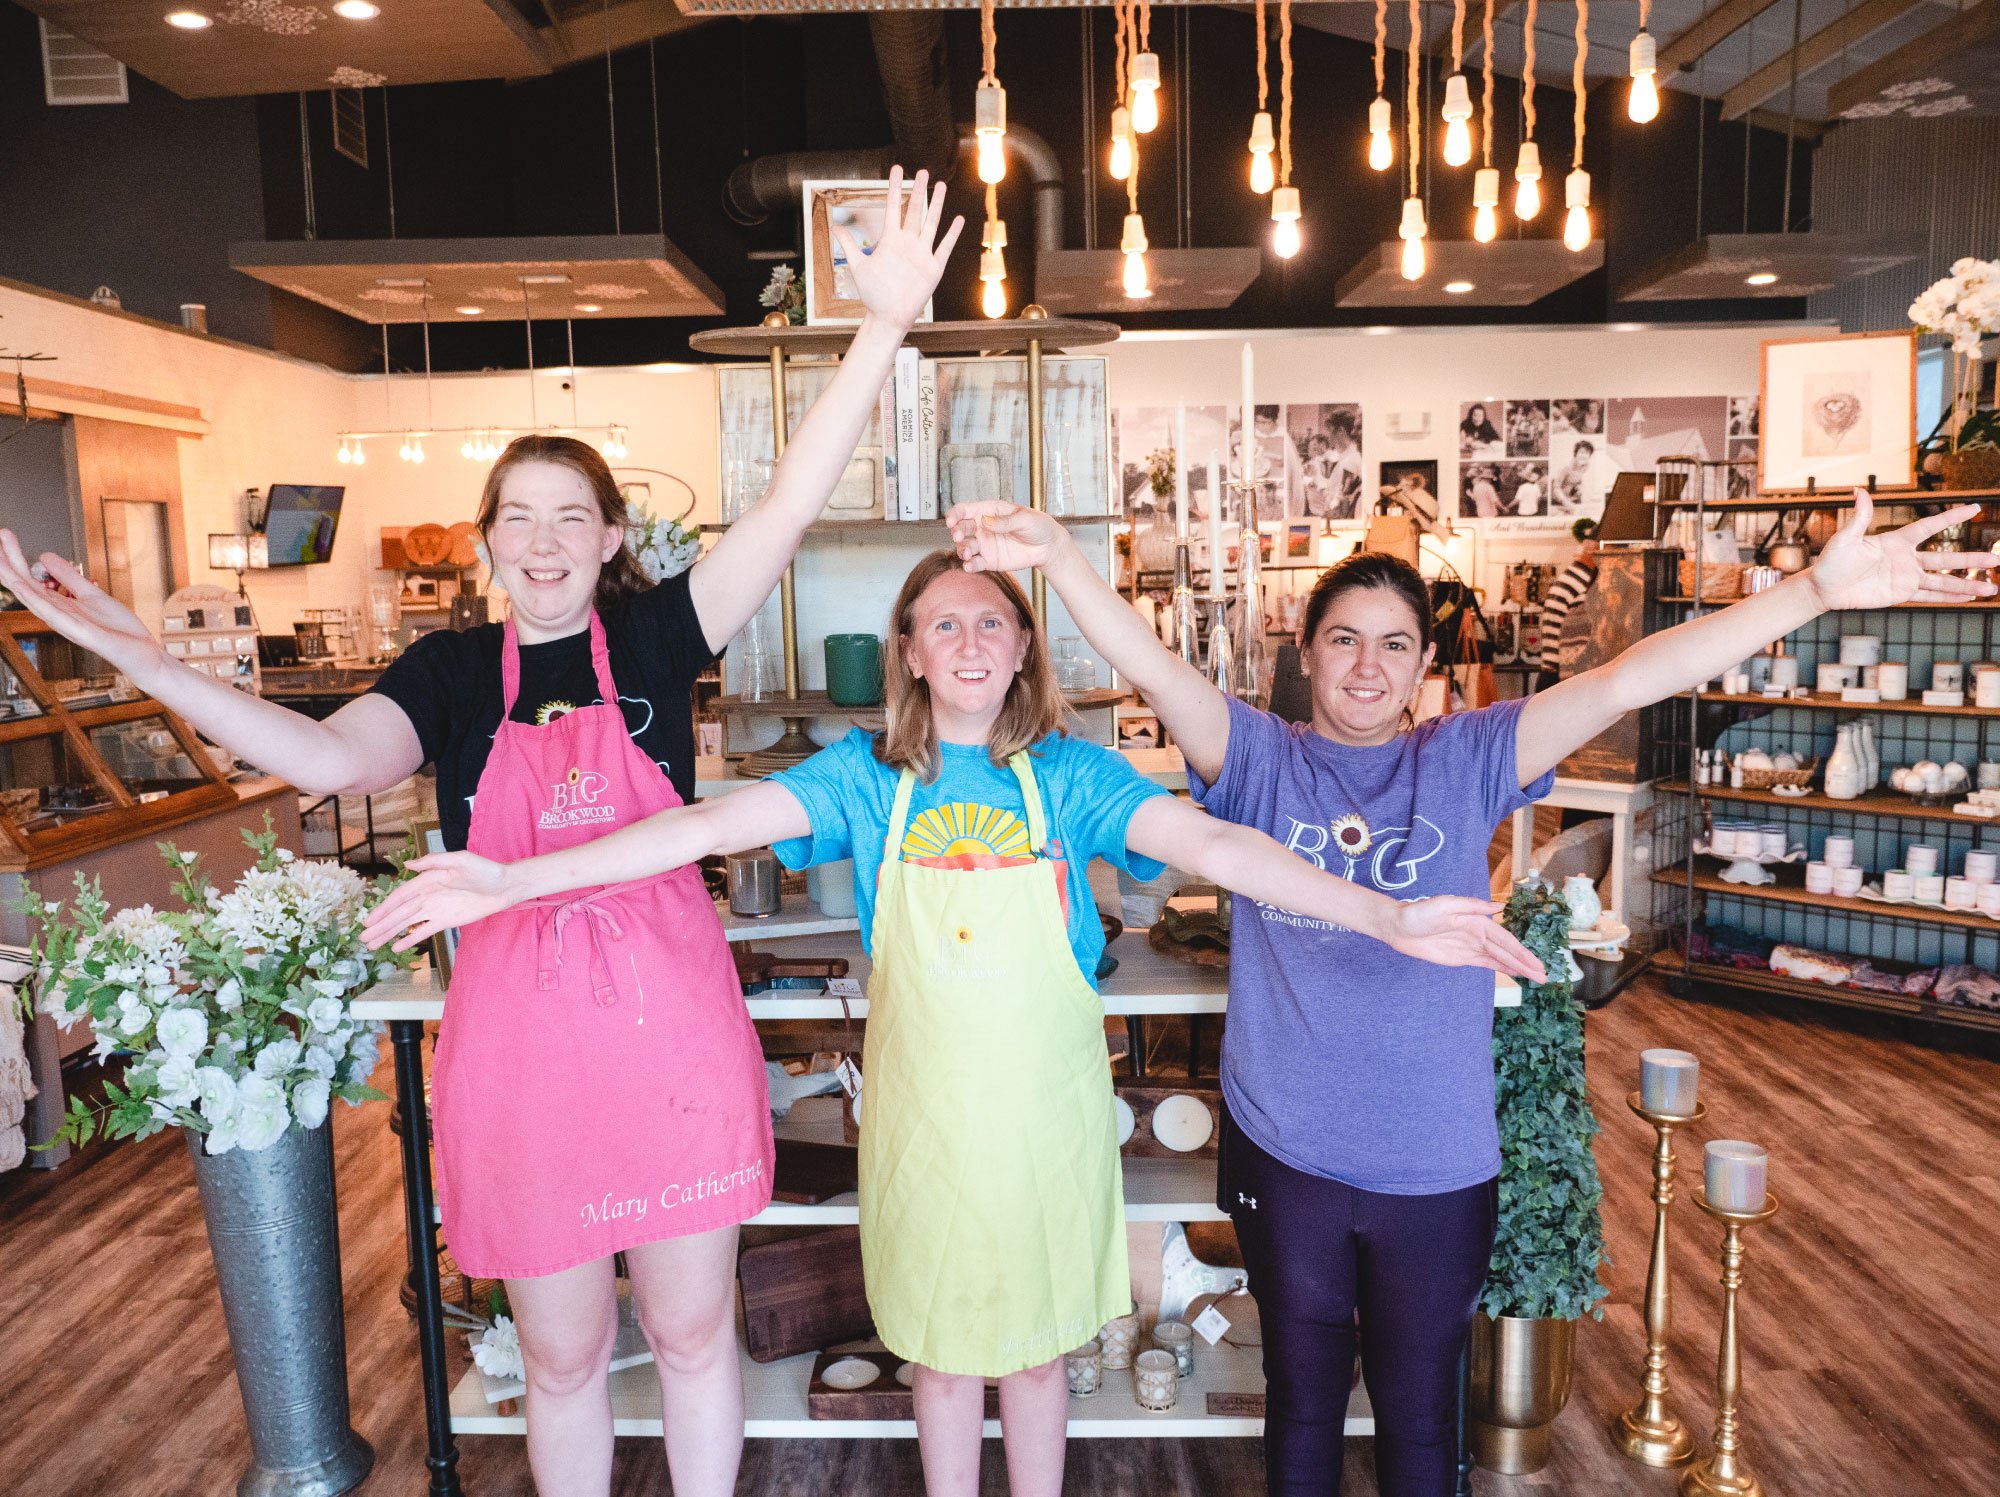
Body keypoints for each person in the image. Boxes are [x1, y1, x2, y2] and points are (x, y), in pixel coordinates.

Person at [0, 166, 963, 1497]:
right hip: (521, 1059)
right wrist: (139, 657)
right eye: (524, 517)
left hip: (670, 1030)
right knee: (562, 1358)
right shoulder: (450, 678)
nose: (550, 538)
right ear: (491, 543)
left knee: (691, 1335)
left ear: (612, 535)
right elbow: (321, 756)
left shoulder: (659, 635)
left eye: (576, 514)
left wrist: (881, 327)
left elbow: (789, 506)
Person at [361, 547, 1545, 1497]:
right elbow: (694, 831)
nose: (969, 641)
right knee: (934, 1349)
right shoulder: (861, 779)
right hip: (923, 1121)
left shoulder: (1073, 777)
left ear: (1022, 646)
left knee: (1033, 1352)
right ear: (912, 655)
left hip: (1044, 1120)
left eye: (991, 621)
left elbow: (1221, 846)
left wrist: (1383, 918)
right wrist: (517, 880)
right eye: (944, 624)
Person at [935, 491, 1993, 1497]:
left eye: (1393, 643)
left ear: (1425, 665)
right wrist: (1064, 561)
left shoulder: (1471, 756)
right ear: (1304, 654)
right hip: (1286, 1149)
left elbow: (1631, 675)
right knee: (1299, 1408)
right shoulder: (1255, 758)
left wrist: (1808, 592)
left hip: (1434, 1165)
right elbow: (1151, 665)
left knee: (1419, 1419)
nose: (1365, 665)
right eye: (1341, 638)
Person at [1537, 519, 1600, 689]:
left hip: (1551, 673)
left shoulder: (1573, 577)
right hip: (1559, 678)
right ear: (1597, 549)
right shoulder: (1583, 583)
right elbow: (1578, 640)